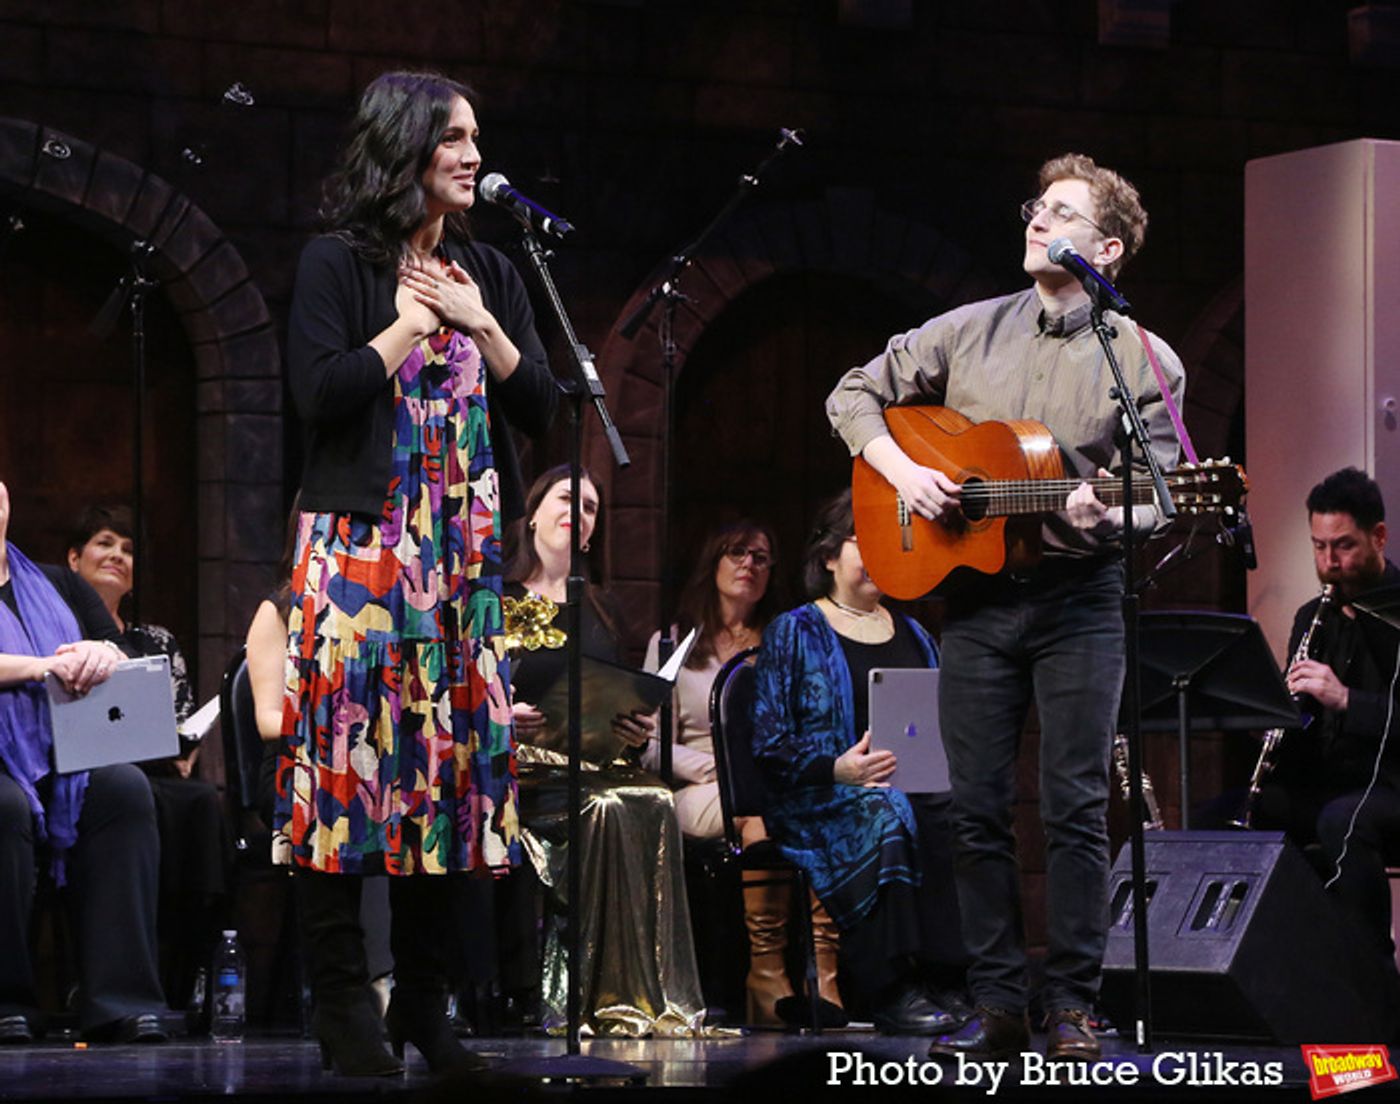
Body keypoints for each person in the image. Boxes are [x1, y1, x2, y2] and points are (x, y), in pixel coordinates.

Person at [826, 153, 1185, 1061]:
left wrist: (1108, 510)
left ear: (1106, 246)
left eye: (1058, 211)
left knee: (1069, 802)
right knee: (974, 805)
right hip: (977, 600)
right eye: (1036, 204)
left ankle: (1071, 1002)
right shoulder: (970, 330)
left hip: (1079, 598)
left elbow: (1164, 499)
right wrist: (906, 472)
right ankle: (996, 1004)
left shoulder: (1145, 358)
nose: (1035, 219)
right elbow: (853, 394)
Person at [274, 69, 557, 1077]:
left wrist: (481, 321)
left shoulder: (491, 270)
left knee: (449, 787)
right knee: (343, 785)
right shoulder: (335, 264)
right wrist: (405, 322)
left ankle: (427, 1010)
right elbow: (319, 392)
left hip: (462, 562)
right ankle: (345, 1002)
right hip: (359, 555)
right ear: (404, 150)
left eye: (476, 135)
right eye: (453, 137)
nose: (473, 155)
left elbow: (547, 411)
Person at [750, 490, 968, 1035]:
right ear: (828, 556)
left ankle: (951, 976)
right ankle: (887, 986)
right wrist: (835, 767)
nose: (882, 553)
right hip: (820, 793)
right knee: (885, 810)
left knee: (967, 813)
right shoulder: (794, 630)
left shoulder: (914, 632)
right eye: (866, 541)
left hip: (903, 783)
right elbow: (768, 741)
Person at [504, 464, 706, 1037]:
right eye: (569, 500)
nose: (579, 514)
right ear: (535, 514)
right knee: (609, 808)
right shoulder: (496, 598)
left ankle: (641, 994)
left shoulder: (602, 607)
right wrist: (502, 717)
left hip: (593, 761)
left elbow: (613, 694)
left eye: (591, 509)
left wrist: (634, 725)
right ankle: (581, 997)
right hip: (522, 771)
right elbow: (468, 692)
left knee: (655, 799)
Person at [641, 521, 831, 1027]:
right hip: (697, 787)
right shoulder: (673, 644)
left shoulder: (785, 640)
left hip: (775, 783)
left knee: (823, 813)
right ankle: (767, 978)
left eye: (761, 557)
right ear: (714, 563)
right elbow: (650, 746)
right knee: (759, 815)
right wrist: (720, 769)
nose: (749, 563)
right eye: (737, 552)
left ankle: (825, 978)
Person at [0, 480, 168, 1044]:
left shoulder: (58, 584)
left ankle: (122, 1001)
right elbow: (41, 667)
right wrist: (41, 666)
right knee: (3, 805)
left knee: (123, 789)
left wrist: (101, 653)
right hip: (4, 769)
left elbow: (115, 649)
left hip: (64, 756)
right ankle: (8, 1001)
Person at [65, 505, 233, 1011]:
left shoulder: (155, 641)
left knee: (203, 801)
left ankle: (195, 967)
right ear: (73, 560)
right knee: (136, 797)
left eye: (128, 549)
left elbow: (180, 722)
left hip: (157, 770)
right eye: (105, 542)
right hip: (88, 775)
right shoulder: (56, 628)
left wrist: (183, 744)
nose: (118, 555)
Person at [1259, 468, 1400, 992]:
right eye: (1319, 547)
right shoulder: (1310, 615)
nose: (1328, 564)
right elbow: (1298, 722)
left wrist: (1344, 699)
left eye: (1342, 547)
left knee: (1344, 823)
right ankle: (1279, 983)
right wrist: (1270, 717)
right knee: (1226, 818)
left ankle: (1372, 987)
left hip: (1389, 785)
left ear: (1378, 537)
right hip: (1328, 783)